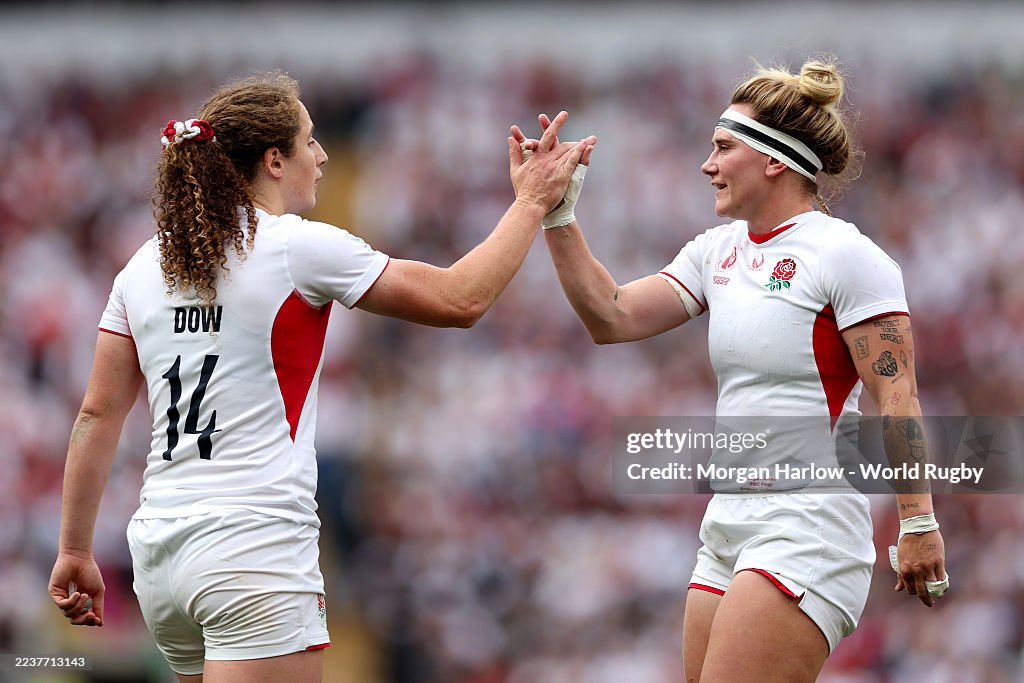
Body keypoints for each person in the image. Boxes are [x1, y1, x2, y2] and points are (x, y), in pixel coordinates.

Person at [48, 71, 594, 683]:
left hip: (160, 554)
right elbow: (460, 300)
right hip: (253, 548)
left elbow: (97, 413)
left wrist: (74, 548)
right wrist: (530, 203)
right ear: (274, 160)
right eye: (310, 141)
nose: (324, 155)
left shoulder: (142, 266)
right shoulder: (293, 247)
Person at [516, 57, 948, 682]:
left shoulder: (848, 256)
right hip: (728, 520)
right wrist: (556, 214)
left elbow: (897, 395)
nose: (706, 164)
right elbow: (612, 316)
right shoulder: (716, 251)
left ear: (774, 160)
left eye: (722, 147)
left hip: (809, 522)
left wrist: (919, 520)